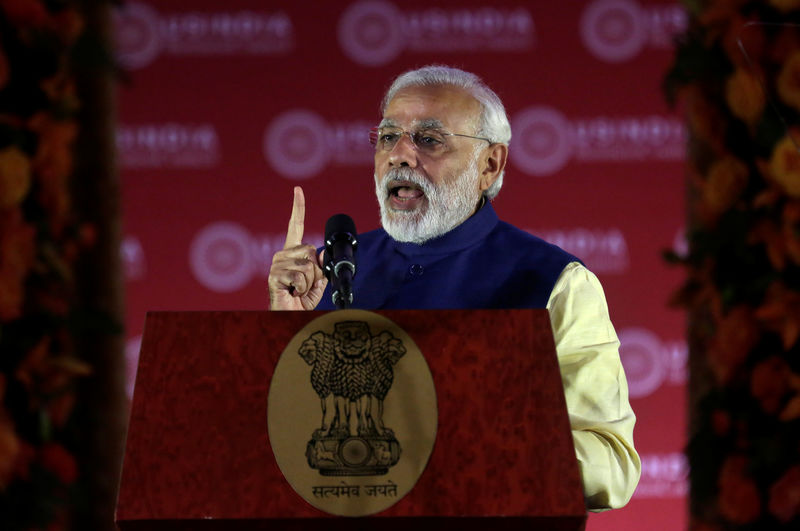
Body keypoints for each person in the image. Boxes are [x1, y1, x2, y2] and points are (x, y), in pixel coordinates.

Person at [268, 65, 641, 511]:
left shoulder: (553, 282)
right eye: (388, 137)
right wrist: (283, 333)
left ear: (490, 164)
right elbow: (284, 443)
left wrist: (471, 438)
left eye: (428, 140)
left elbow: (611, 466)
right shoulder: (334, 272)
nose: (400, 156)